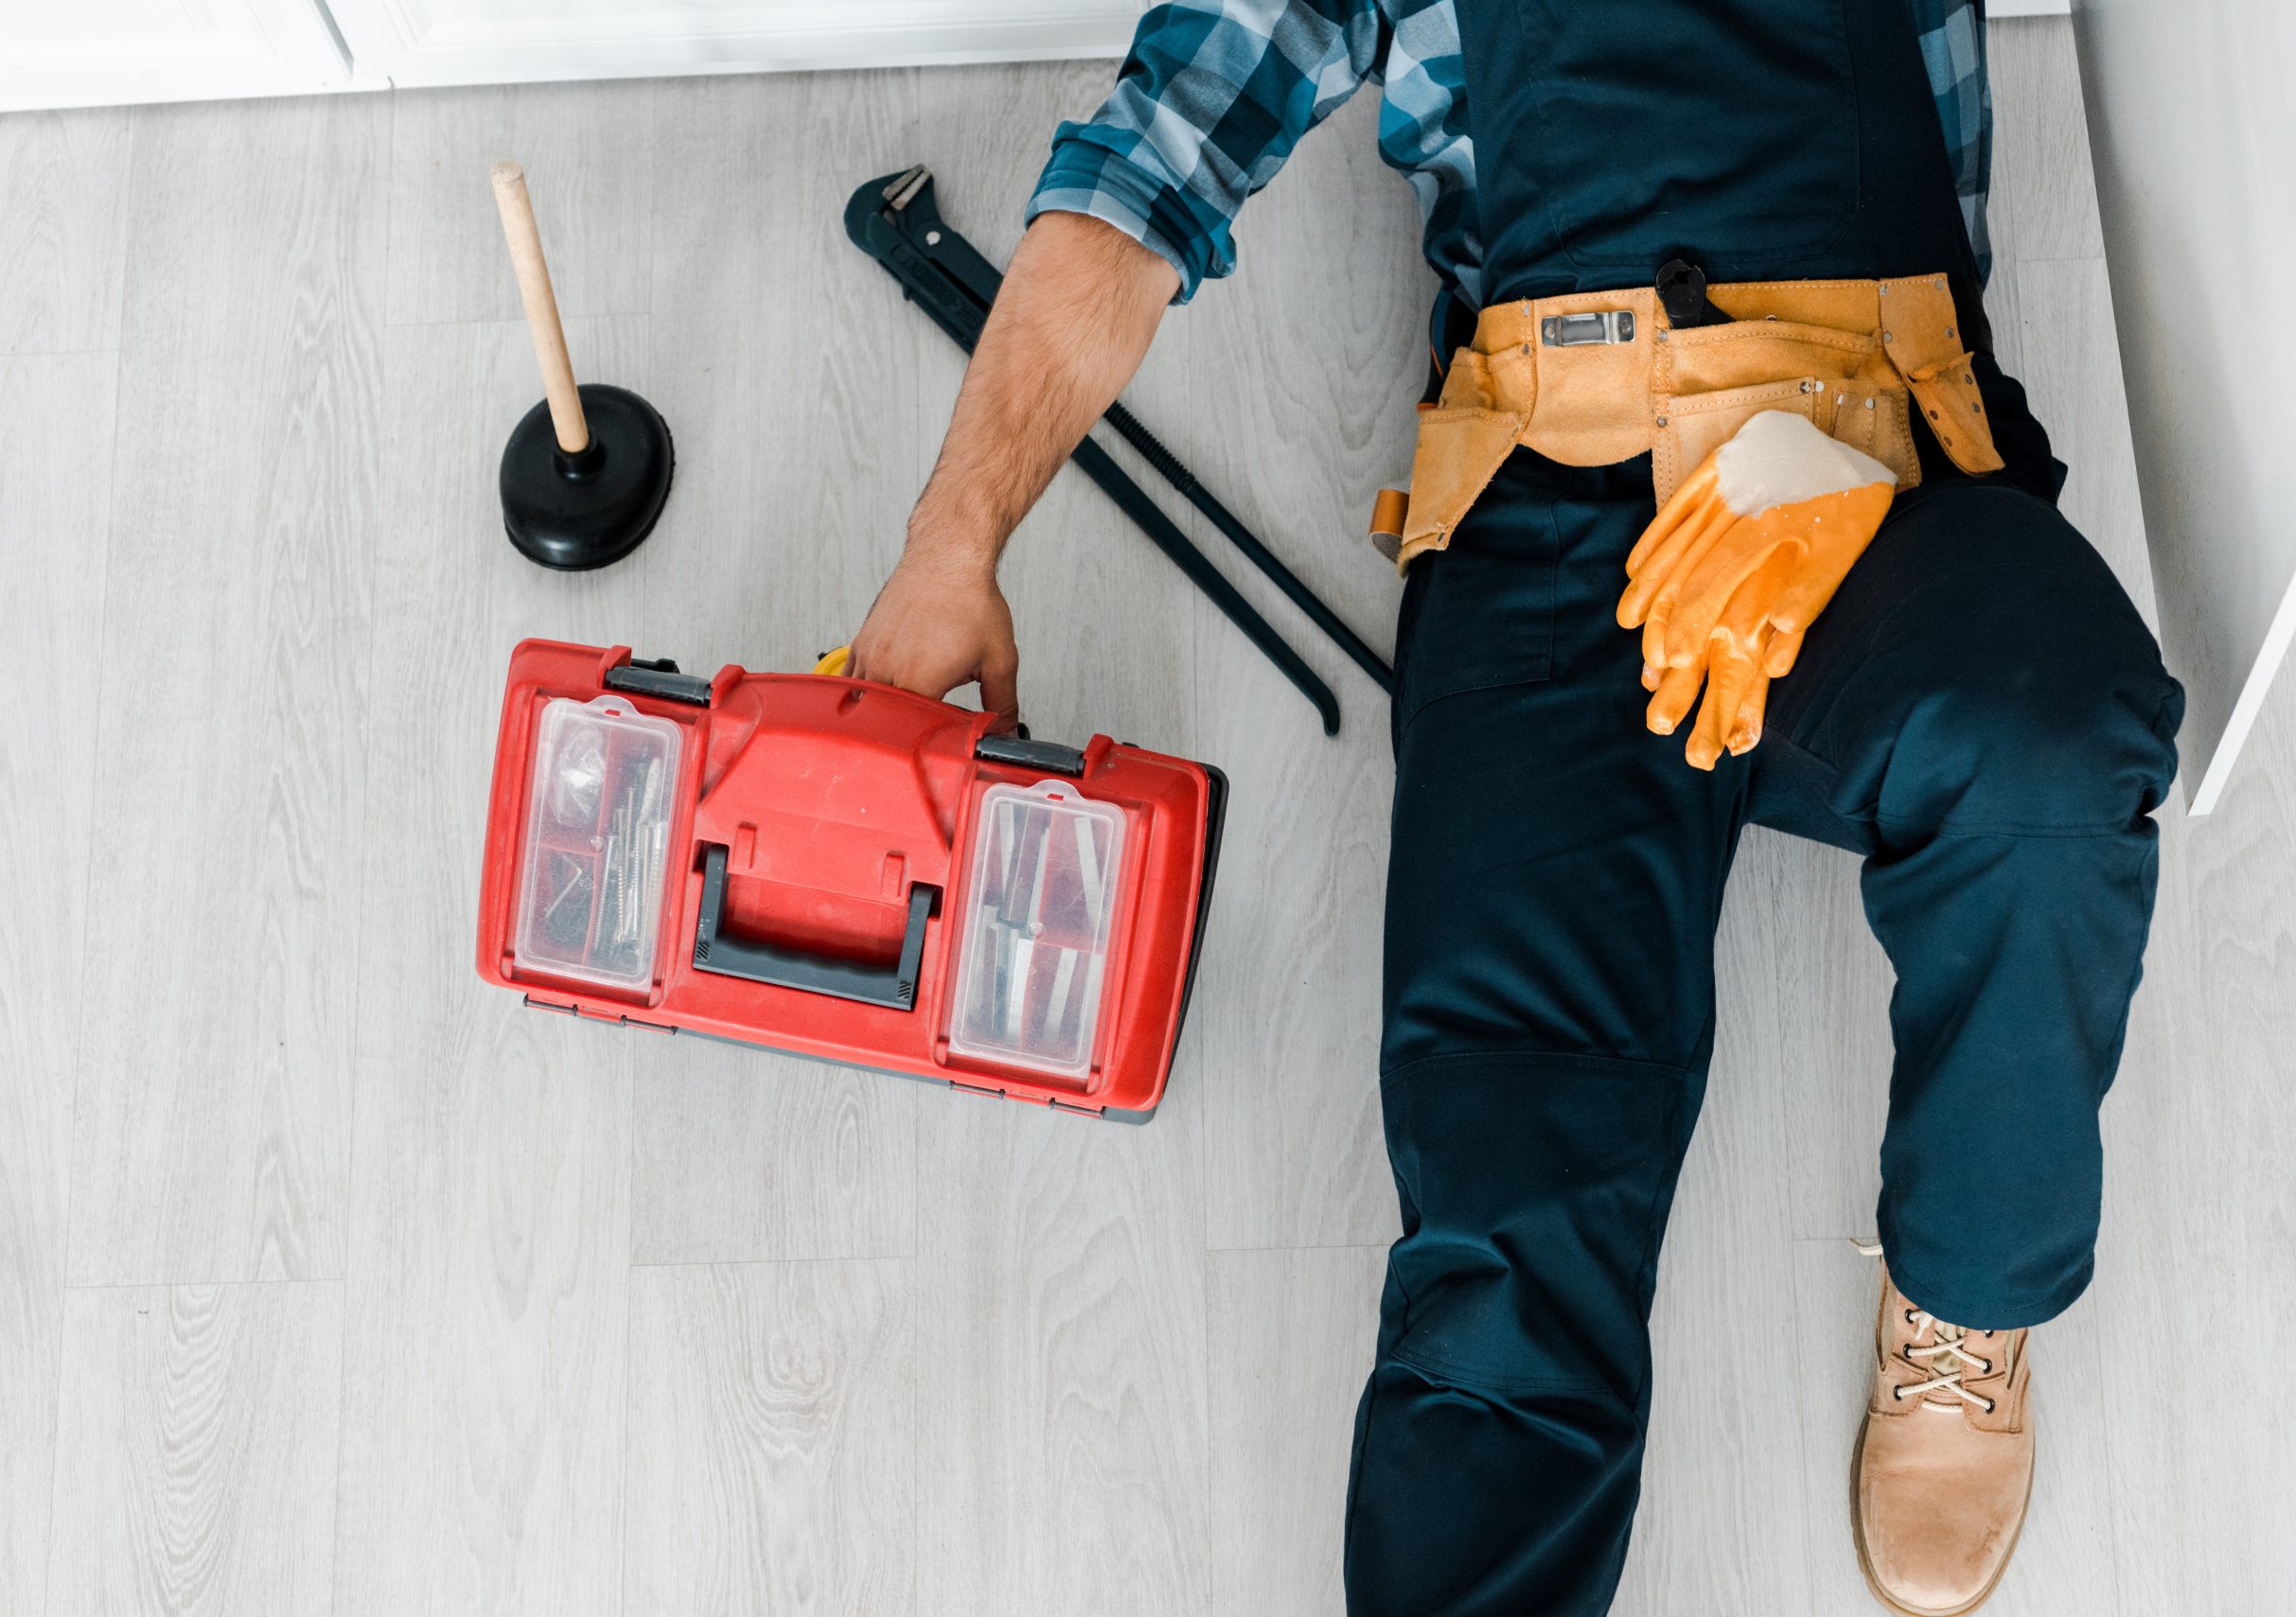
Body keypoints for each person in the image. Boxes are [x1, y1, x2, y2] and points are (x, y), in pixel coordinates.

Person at [846, 2, 2182, 1611]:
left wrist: (1837, 463)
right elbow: (1146, 174)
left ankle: (1970, 1292)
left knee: (2051, 759)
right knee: (1510, 1239)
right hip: (1566, 506)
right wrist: (954, 538)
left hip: (1882, 470)